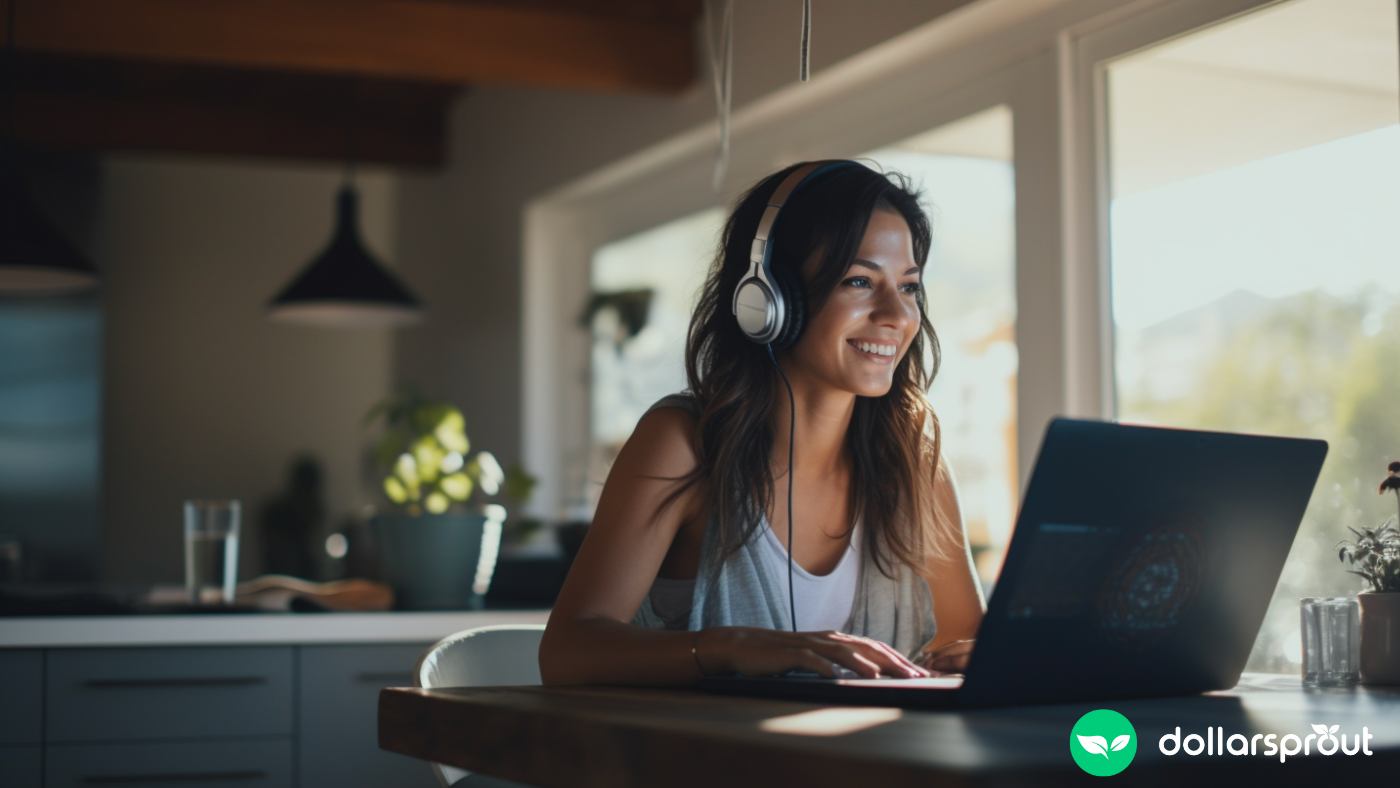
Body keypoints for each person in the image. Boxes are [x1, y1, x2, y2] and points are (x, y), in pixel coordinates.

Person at [539, 160, 986, 686]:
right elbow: (566, 653)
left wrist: (987, 656)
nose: (897, 315)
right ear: (768, 299)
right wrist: (733, 647)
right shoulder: (682, 443)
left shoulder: (912, 456)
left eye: (909, 287)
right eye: (859, 281)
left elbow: (966, 640)